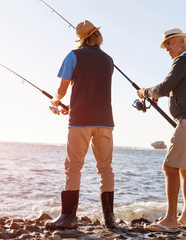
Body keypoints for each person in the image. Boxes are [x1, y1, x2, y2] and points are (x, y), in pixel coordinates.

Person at [45, 20, 116, 230]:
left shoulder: (73, 55)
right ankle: (109, 219)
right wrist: (72, 106)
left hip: (81, 121)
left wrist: (56, 102)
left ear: (81, 38)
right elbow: (94, 88)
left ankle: (68, 217)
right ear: (97, 36)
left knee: (74, 166)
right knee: (105, 169)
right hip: (105, 121)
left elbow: (62, 89)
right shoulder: (109, 60)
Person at [137, 28, 186, 233]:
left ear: (181, 42)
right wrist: (161, 95)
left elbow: (165, 86)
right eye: (165, 45)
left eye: (169, 43)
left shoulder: (184, 60)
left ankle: (170, 220)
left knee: (169, 167)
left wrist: (145, 93)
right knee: (185, 169)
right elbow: (176, 88)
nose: (167, 48)